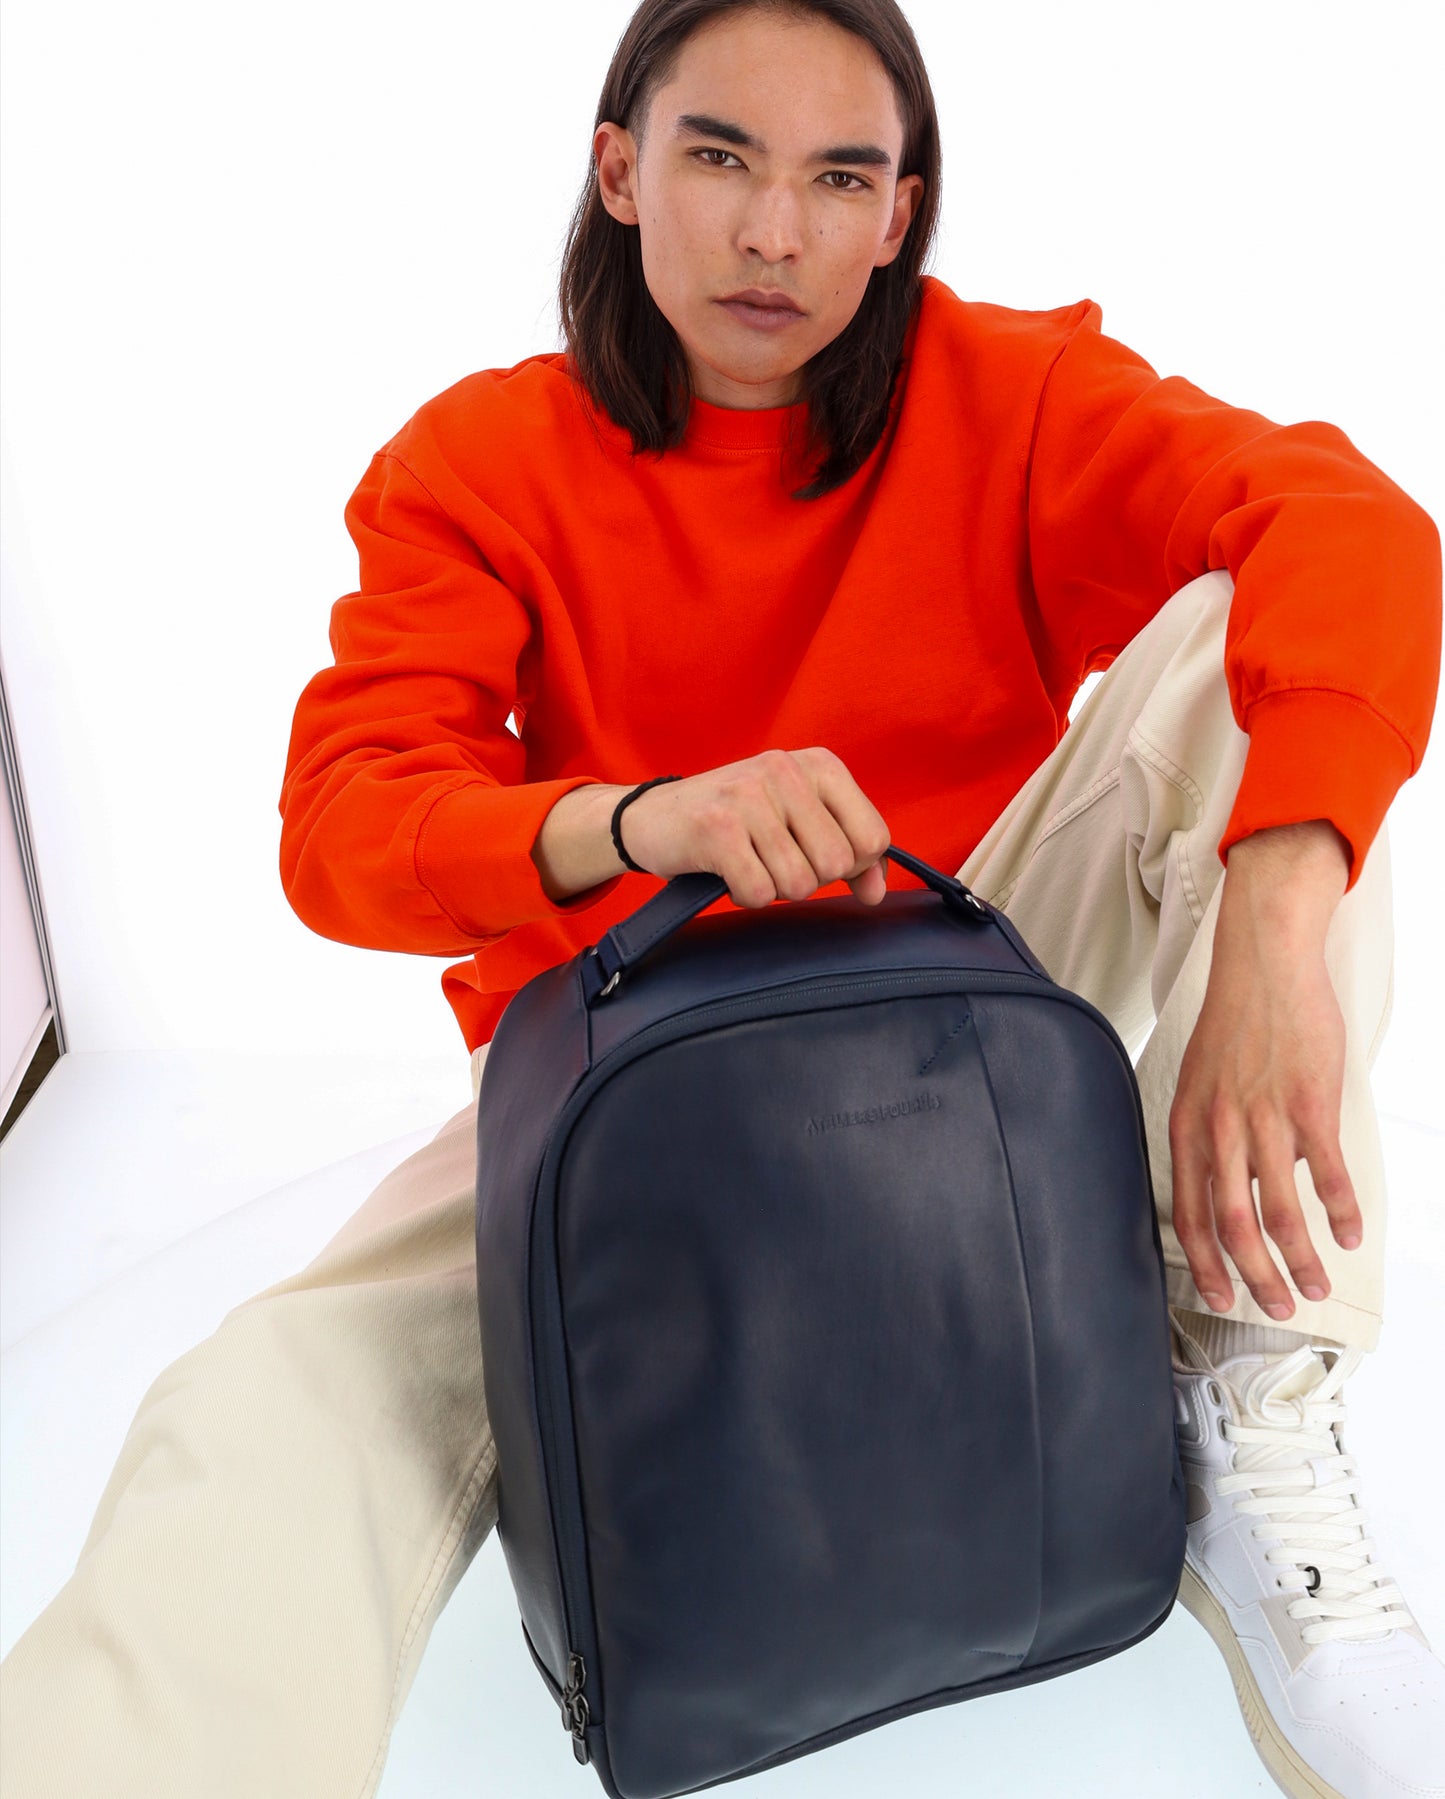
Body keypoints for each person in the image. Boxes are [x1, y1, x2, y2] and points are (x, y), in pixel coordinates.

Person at [2, 1, 1440, 1795]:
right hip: (618, 1076)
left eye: (838, 178)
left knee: (1258, 635)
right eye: (720, 157)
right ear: (620, 171)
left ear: (897, 214)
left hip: (968, 997)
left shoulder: (1011, 395)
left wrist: (1273, 937)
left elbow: (1351, 525)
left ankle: (1240, 1399)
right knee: (267, 1408)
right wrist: (638, 821)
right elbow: (343, 830)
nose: (774, 232)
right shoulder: (478, 461)